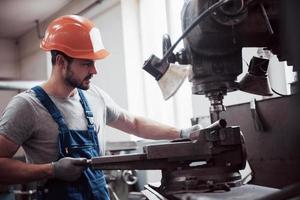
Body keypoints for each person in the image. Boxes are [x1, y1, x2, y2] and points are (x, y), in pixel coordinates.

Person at [0, 15, 199, 200]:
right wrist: (52, 169)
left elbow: (135, 123)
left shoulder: (94, 96)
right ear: (61, 61)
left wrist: (183, 132)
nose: (95, 70)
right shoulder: (27, 105)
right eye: (87, 63)